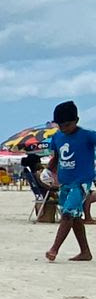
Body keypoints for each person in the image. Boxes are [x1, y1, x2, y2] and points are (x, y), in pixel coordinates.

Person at [44, 100, 96, 261]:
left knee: (67, 214)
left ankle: (54, 249)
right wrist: (48, 171)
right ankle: (85, 252)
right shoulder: (57, 137)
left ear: (76, 121)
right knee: (74, 217)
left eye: (67, 125)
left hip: (81, 182)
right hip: (64, 182)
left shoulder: (88, 136)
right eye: (60, 126)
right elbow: (57, 157)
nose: (63, 129)